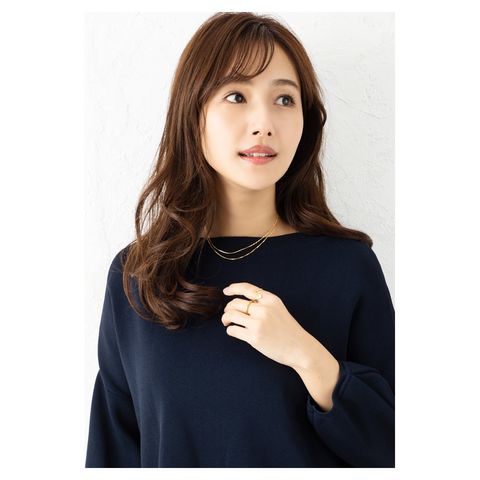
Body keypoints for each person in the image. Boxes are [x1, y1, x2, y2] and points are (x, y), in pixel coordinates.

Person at [85, 12, 395, 468]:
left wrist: (307, 357)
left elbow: (397, 449)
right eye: (236, 95)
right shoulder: (138, 275)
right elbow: (113, 448)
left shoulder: (348, 268)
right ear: (194, 113)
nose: (263, 122)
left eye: (284, 99)